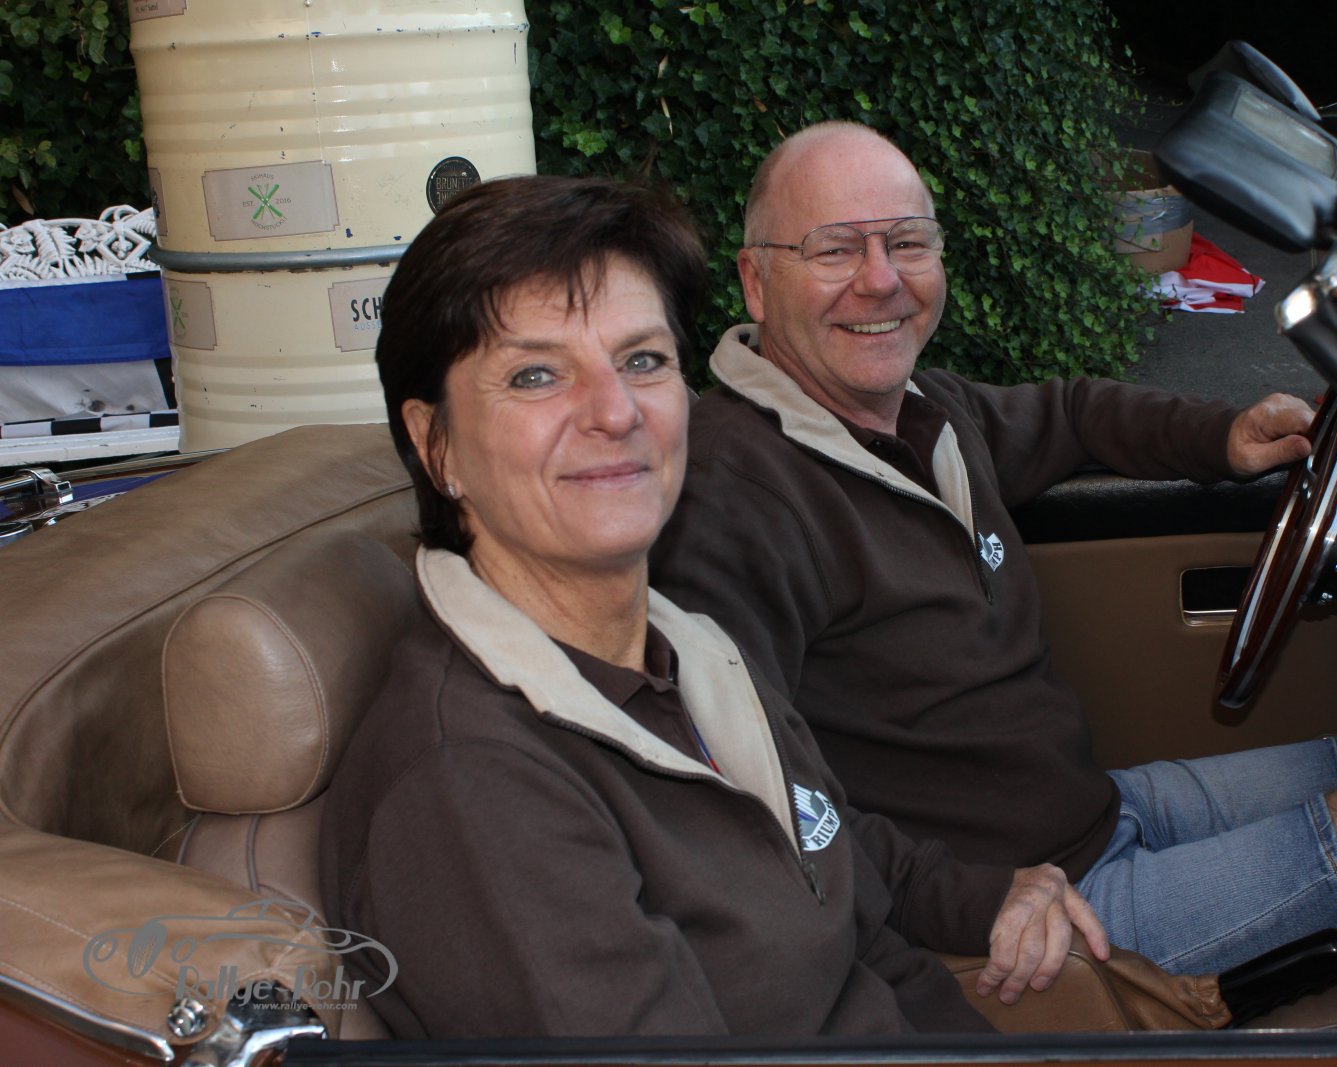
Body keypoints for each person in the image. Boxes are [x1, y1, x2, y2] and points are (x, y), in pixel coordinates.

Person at [649, 121, 1337, 979]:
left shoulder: (924, 413)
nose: (881, 279)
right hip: (1032, 912)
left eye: (908, 242)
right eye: (836, 249)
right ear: (756, 282)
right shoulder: (731, 499)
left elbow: (1073, 413)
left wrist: (1222, 436)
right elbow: (752, 791)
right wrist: (968, 902)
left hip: (1100, 812)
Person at [318, 173, 1119, 1039]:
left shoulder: (683, 649)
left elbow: (835, 871)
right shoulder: (470, 789)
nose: (615, 411)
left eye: (642, 360)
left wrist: (984, 894)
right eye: (537, 374)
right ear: (437, 444)